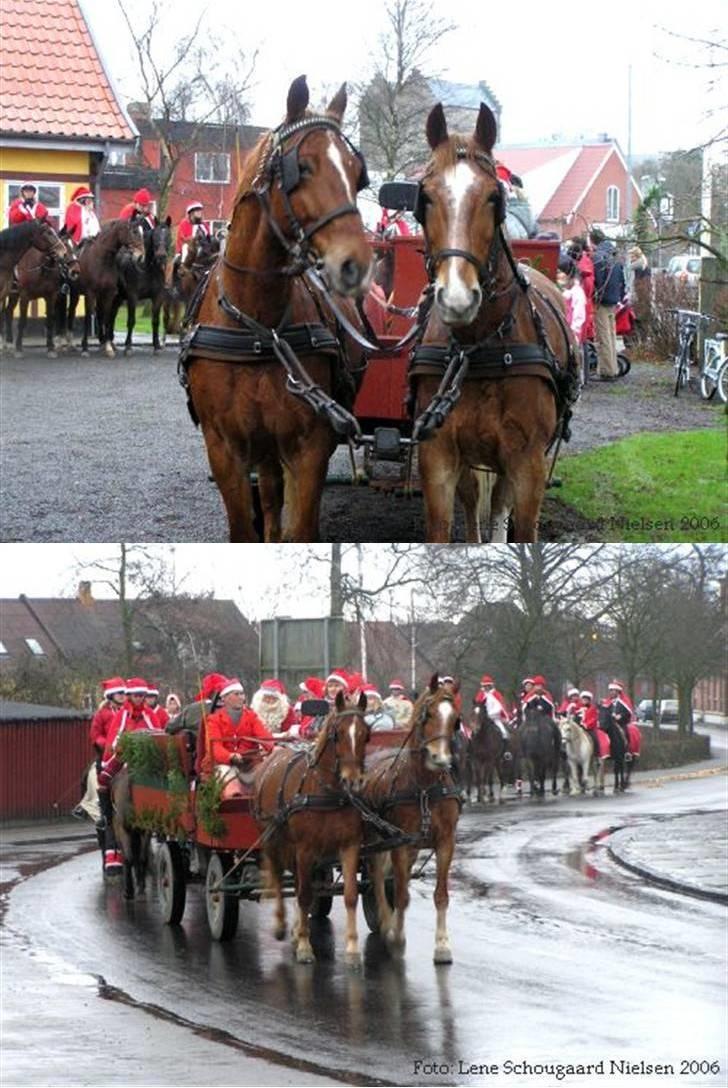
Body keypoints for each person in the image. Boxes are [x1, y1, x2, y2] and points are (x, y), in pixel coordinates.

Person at [98, 678, 161, 874]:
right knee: (102, 781)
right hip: (124, 757)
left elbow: (159, 734)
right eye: (136, 695)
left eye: (142, 695)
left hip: (147, 761)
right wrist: (116, 751)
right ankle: (108, 816)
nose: (139, 698)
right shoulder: (121, 716)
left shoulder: (150, 714)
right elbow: (112, 739)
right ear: (129, 696)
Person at [202, 678, 275, 798]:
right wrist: (230, 756)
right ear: (224, 698)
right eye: (237, 694)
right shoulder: (213, 720)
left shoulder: (251, 717)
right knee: (227, 777)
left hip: (249, 763)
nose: (241, 697)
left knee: (268, 774)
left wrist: (273, 748)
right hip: (223, 764)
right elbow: (214, 748)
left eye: (242, 694)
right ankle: (235, 801)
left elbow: (264, 736)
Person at [72, 676, 127, 823]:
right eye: (119, 693)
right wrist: (108, 745)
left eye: (124, 692)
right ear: (110, 696)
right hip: (108, 754)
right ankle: (100, 810)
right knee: (94, 776)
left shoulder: (128, 712)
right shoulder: (102, 714)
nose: (122, 695)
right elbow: (95, 735)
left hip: (128, 752)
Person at [590, 228, 627, 381]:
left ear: (592, 241)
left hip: (603, 300)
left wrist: (594, 297)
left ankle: (607, 371)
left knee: (603, 336)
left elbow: (598, 281)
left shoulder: (598, 257)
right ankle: (613, 367)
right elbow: (622, 280)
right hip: (614, 299)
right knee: (611, 335)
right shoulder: (614, 255)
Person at [557, 257, 587, 348]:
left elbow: (579, 318)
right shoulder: (561, 291)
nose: (557, 275)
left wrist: (572, 337)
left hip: (570, 338)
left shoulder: (577, 293)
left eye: (559, 272)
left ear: (568, 274)